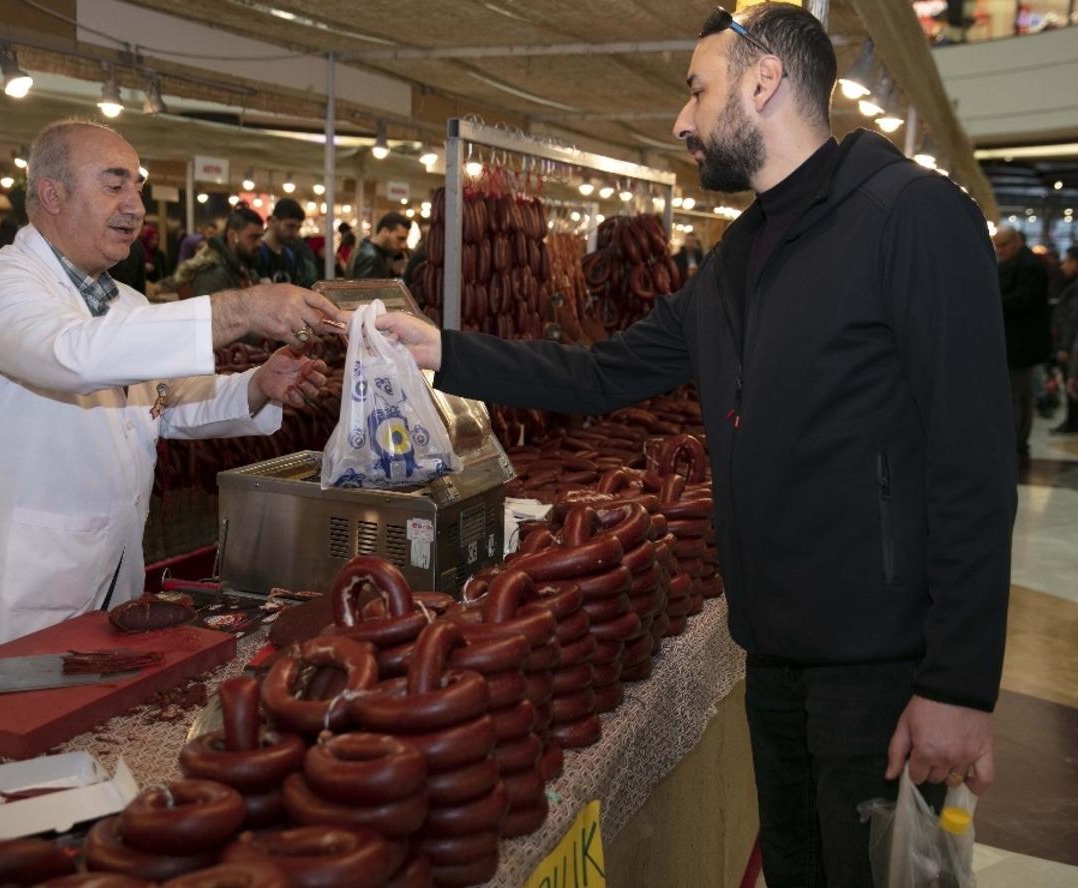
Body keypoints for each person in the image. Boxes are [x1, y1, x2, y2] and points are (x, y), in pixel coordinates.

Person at [375, 6, 1015, 886]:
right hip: (776, 650)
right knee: (800, 868)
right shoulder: (735, 259)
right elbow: (601, 374)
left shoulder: (910, 215)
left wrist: (960, 684)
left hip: (882, 662)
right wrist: (443, 351)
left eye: (696, 89)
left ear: (764, 82)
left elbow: (973, 459)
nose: (681, 120)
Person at [0, 119, 343, 661]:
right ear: (52, 194)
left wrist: (258, 386)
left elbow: (167, 405)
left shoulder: (127, 303)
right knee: (3, 734)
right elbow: (70, 355)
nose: (136, 205)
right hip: (15, 584)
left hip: (111, 572)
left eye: (137, 186)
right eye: (114, 185)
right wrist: (242, 308)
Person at [992, 224, 1051, 468]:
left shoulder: (1030, 266)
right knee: (1013, 394)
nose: (1000, 250)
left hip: (1022, 343)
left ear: (1016, 242)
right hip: (1012, 340)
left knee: (1019, 395)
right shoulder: (1012, 264)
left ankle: (1017, 442)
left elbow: (1023, 300)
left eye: (1003, 245)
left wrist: (992, 302)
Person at [169, 206, 264, 297]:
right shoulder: (212, 276)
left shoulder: (245, 269)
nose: (260, 244)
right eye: (254, 237)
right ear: (232, 236)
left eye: (261, 237)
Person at [1050, 245, 1078, 435]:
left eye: (1068, 261)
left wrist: (1065, 347)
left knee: (1072, 383)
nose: (1063, 266)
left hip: (1073, 347)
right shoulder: (1071, 285)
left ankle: (1072, 422)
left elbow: (1073, 319)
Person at [259, 199, 318, 288]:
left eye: (298, 228)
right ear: (273, 221)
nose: (295, 233)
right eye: (290, 226)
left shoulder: (289, 255)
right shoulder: (257, 251)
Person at [346, 212, 409, 279]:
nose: (403, 245)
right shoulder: (370, 256)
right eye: (400, 239)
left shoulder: (369, 250)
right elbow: (366, 288)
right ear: (385, 232)